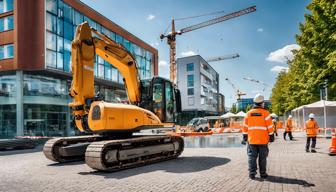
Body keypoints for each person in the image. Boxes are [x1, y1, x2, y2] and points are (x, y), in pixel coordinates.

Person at [243, 94, 274, 179]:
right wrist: (271, 135)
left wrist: (244, 135)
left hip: (252, 139)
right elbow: (270, 126)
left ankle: (252, 173)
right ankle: (263, 174)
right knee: (263, 158)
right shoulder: (266, 113)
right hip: (263, 140)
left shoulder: (248, 113)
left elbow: (245, 126)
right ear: (262, 103)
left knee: (251, 157)